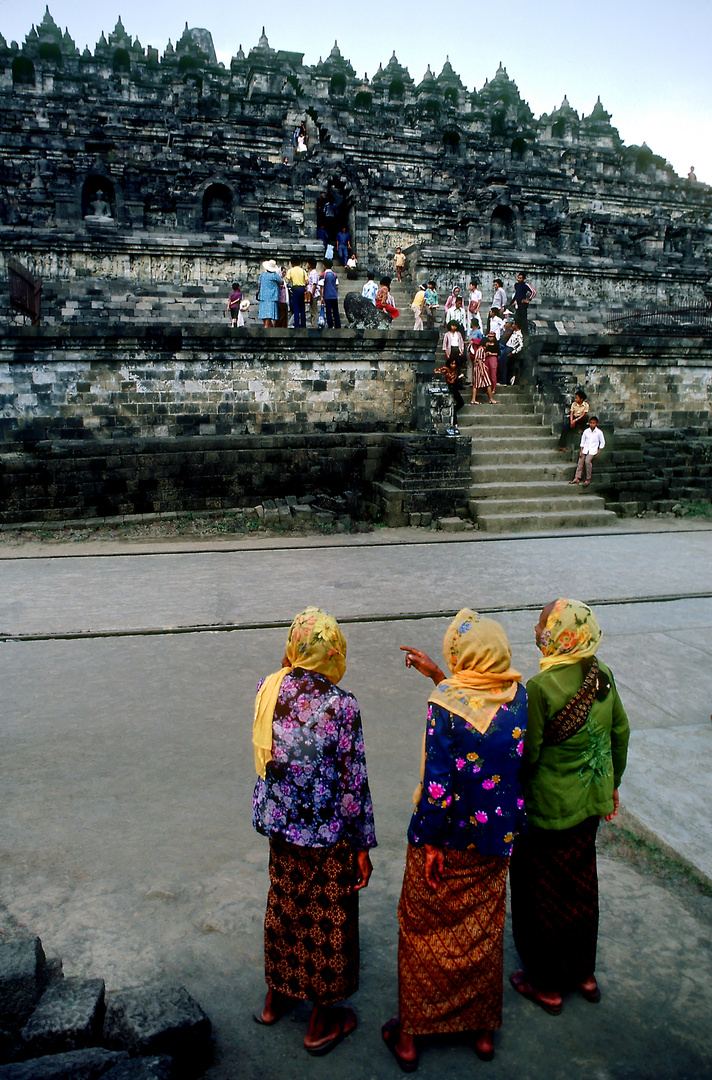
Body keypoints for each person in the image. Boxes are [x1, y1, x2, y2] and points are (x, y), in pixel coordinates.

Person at [382, 610, 527, 1068]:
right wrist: (440, 677)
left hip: (447, 840)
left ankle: (410, 1037)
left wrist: (428, 843)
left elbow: (439, 784)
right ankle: (482, 1033)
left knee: (421, 929)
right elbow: (478, 717)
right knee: (482, 932)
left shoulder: (443, 703)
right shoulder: (518, 695)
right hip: (495, 837)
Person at [253, 607, 376, 1055]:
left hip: (281, 827)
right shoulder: (343, 706)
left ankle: (275, 999)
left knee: (285, 905)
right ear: (335, 650)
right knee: (327, 921)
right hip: (327, 836)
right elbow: (353, 782)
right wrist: (362, 846)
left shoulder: (269, 688)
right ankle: (320, 1023)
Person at [509, 599, 629, 1016]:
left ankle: (545, 983)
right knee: (580, 886)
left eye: (542, 622)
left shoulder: (540, 689)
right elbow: (620, 732)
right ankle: (584, 974)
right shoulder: (603, 674)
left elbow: (530, 754)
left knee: (540, 890)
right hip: (588, 806)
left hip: (548, 810)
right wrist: (610, 785)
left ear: (558, 635)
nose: (536, 627)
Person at [436, 321, 466, 433]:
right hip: (450, 386)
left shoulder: (458, 334)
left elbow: (461, 343)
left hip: (457, 351)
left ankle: (453, 414)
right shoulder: (447, 334)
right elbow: (445, 344)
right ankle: (454, 419)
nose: (453, 365)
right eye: (452, 364)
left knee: (459, 403)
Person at [570, 416, 605, 486]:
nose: (592, 424)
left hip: (593, 450)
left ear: (596, 424)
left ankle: (588, 478)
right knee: (580, 462)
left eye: (593, 423)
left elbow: (602, 442)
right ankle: (577, 477)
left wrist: (598, 451)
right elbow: (582, 441)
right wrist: (581, 451)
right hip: (585, 449)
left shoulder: (599, 432)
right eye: (591, 423)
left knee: (587, 461)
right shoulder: (586, 431)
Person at [469, 336, 497, 404]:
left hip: (478, 368)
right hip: (479, 368)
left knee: (476, 384)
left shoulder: (480, 350)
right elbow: (479, 360)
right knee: (488, 383)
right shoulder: (481, 350)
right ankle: (491, 399)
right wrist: (482, 370)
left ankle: (473, 399)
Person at [257, 260, 283, 327]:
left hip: (263, 297)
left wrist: (258, 292)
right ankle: (267, 327)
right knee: (269, 315)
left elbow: (259, 285)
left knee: (264, 315)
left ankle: (267, 326)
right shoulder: (274, 275)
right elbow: (281, 282)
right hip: (271, 297)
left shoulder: (262, 275)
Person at [285, 258, 308, 328]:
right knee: (302, 308)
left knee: (296, 308)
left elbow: (288, 281)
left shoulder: (290, 271)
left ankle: (297, 325)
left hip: (295, 289)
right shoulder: (303, 271)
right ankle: (303, 324)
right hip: (302, 289)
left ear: (292, 264)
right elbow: (307, 282)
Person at [319, 259, 341, 328]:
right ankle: (338, 325)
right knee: (335, 311)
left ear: (324, 266)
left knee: (328, 312)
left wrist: (322, 296)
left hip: (327, 296)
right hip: (334, 295)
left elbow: (322, 287)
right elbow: (337, 285)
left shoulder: (323, 275)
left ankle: (330, 325)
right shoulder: (334, 275)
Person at [306, 259, 320, 327]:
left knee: (314, 310)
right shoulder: (311, 273)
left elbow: (314, 284)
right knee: (312, 310)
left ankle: (315, 325)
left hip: (313, 294)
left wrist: (312, 294)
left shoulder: (313, 273)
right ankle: (313, 324)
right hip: (312, 293)